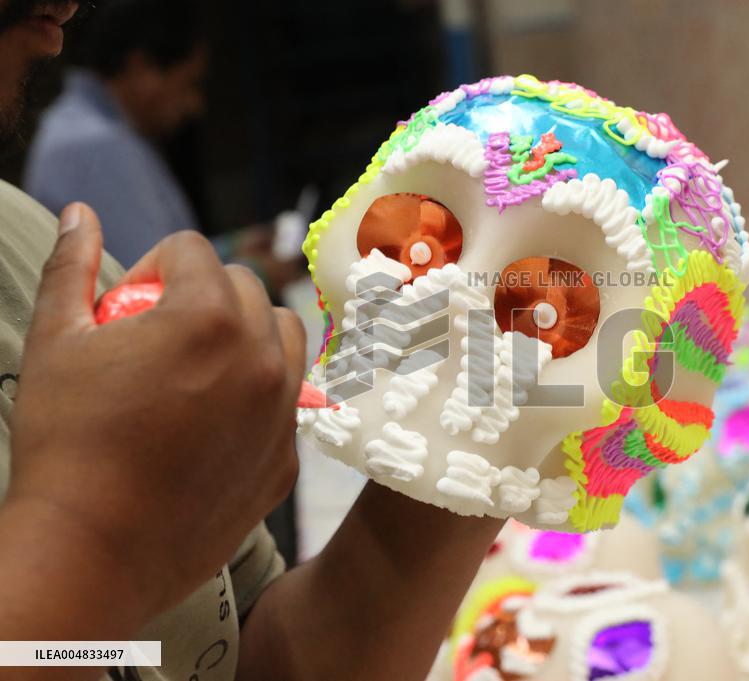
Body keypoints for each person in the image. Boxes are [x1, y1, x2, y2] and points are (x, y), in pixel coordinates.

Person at [0, 2, 502, 681]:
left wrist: (487, 426)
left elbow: (238, 652)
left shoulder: (21, 240)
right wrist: (89, 537)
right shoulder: (80, 169)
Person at [23, 0, 301, 295]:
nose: (195, 106)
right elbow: (156, 292)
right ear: (142, 67)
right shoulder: (94, 146)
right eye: (189, 84)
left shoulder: (92, 130)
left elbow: (154, 258)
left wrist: (232, 247)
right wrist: (259, 272)